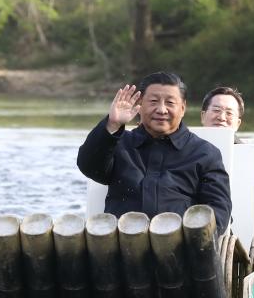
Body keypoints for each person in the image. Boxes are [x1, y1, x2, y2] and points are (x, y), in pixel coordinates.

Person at [77, 71, 232, 234]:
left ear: (183, 108)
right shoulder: (119, 143)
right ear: (140, 105)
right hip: (121, 247)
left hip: (180, 250)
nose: (161, 110)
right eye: (153, 101)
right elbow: (89, 167)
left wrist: (194, 240)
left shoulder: (205, 153)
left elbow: (219, 210)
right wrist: (112, 124)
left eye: (170, 103)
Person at [200, 86, 254, 237]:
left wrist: (243, 210)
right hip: (196, 223)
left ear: (238, 123)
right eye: (216, 110)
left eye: (229, 113)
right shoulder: (184, 152)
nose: (222, 117)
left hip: (241, 230)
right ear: (203, 116)